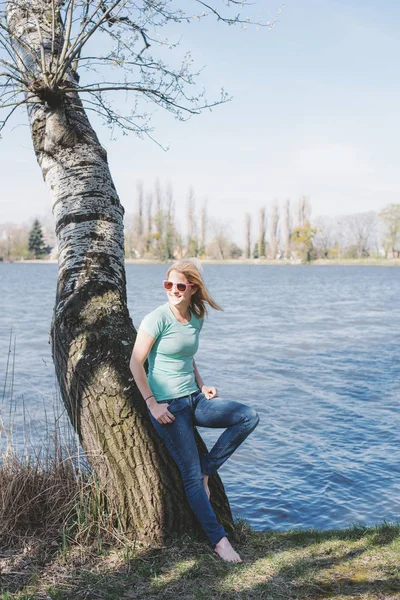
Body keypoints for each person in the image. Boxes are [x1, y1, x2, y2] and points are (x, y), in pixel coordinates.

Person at [129, 260, 259, 562]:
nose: (173, 290)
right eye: (168, 285)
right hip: (169, 408)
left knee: (248, 416)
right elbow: (136, 363)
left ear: (193, 289)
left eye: (180, 286)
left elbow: (188, 357)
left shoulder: (196, 316)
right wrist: (152, 403)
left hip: (194, 400)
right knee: (189, 476)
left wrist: (202, 386)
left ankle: (207, 469)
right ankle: (219, 541)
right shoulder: (156, 319)